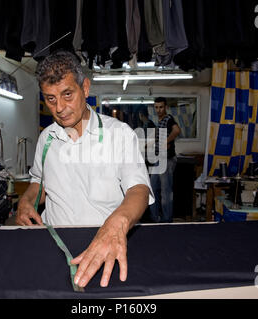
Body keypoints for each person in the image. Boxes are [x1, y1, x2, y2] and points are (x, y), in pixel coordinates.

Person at [15, 51, 154, 289]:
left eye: (67, 95)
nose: (59, 108)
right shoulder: (46, 138)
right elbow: (39, 183)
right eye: (50, 99)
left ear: (85, 88)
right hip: (54, 244)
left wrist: (116, 224)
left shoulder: (119, 134)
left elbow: (138, 190)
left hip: (105, 242)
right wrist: (26, 200)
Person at [149, 97, 181, 223]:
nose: (158, 110)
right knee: (152, 189)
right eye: (156, 107)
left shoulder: (168, 119)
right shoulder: (160, 121)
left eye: (161, 107)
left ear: (165, 107)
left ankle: (167, 220)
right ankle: (156, 219)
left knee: (165, 193)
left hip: (167, 160)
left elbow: (177, 130)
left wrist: (166, 142)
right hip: (159, 160)